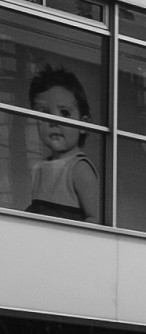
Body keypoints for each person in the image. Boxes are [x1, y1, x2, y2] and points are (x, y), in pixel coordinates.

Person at [25, 65, 101, 221]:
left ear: (83, 125)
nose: (53, 121)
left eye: (64, 113)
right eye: (44, 114)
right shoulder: (39, 169)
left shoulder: (79, 169)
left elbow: (95, 218)